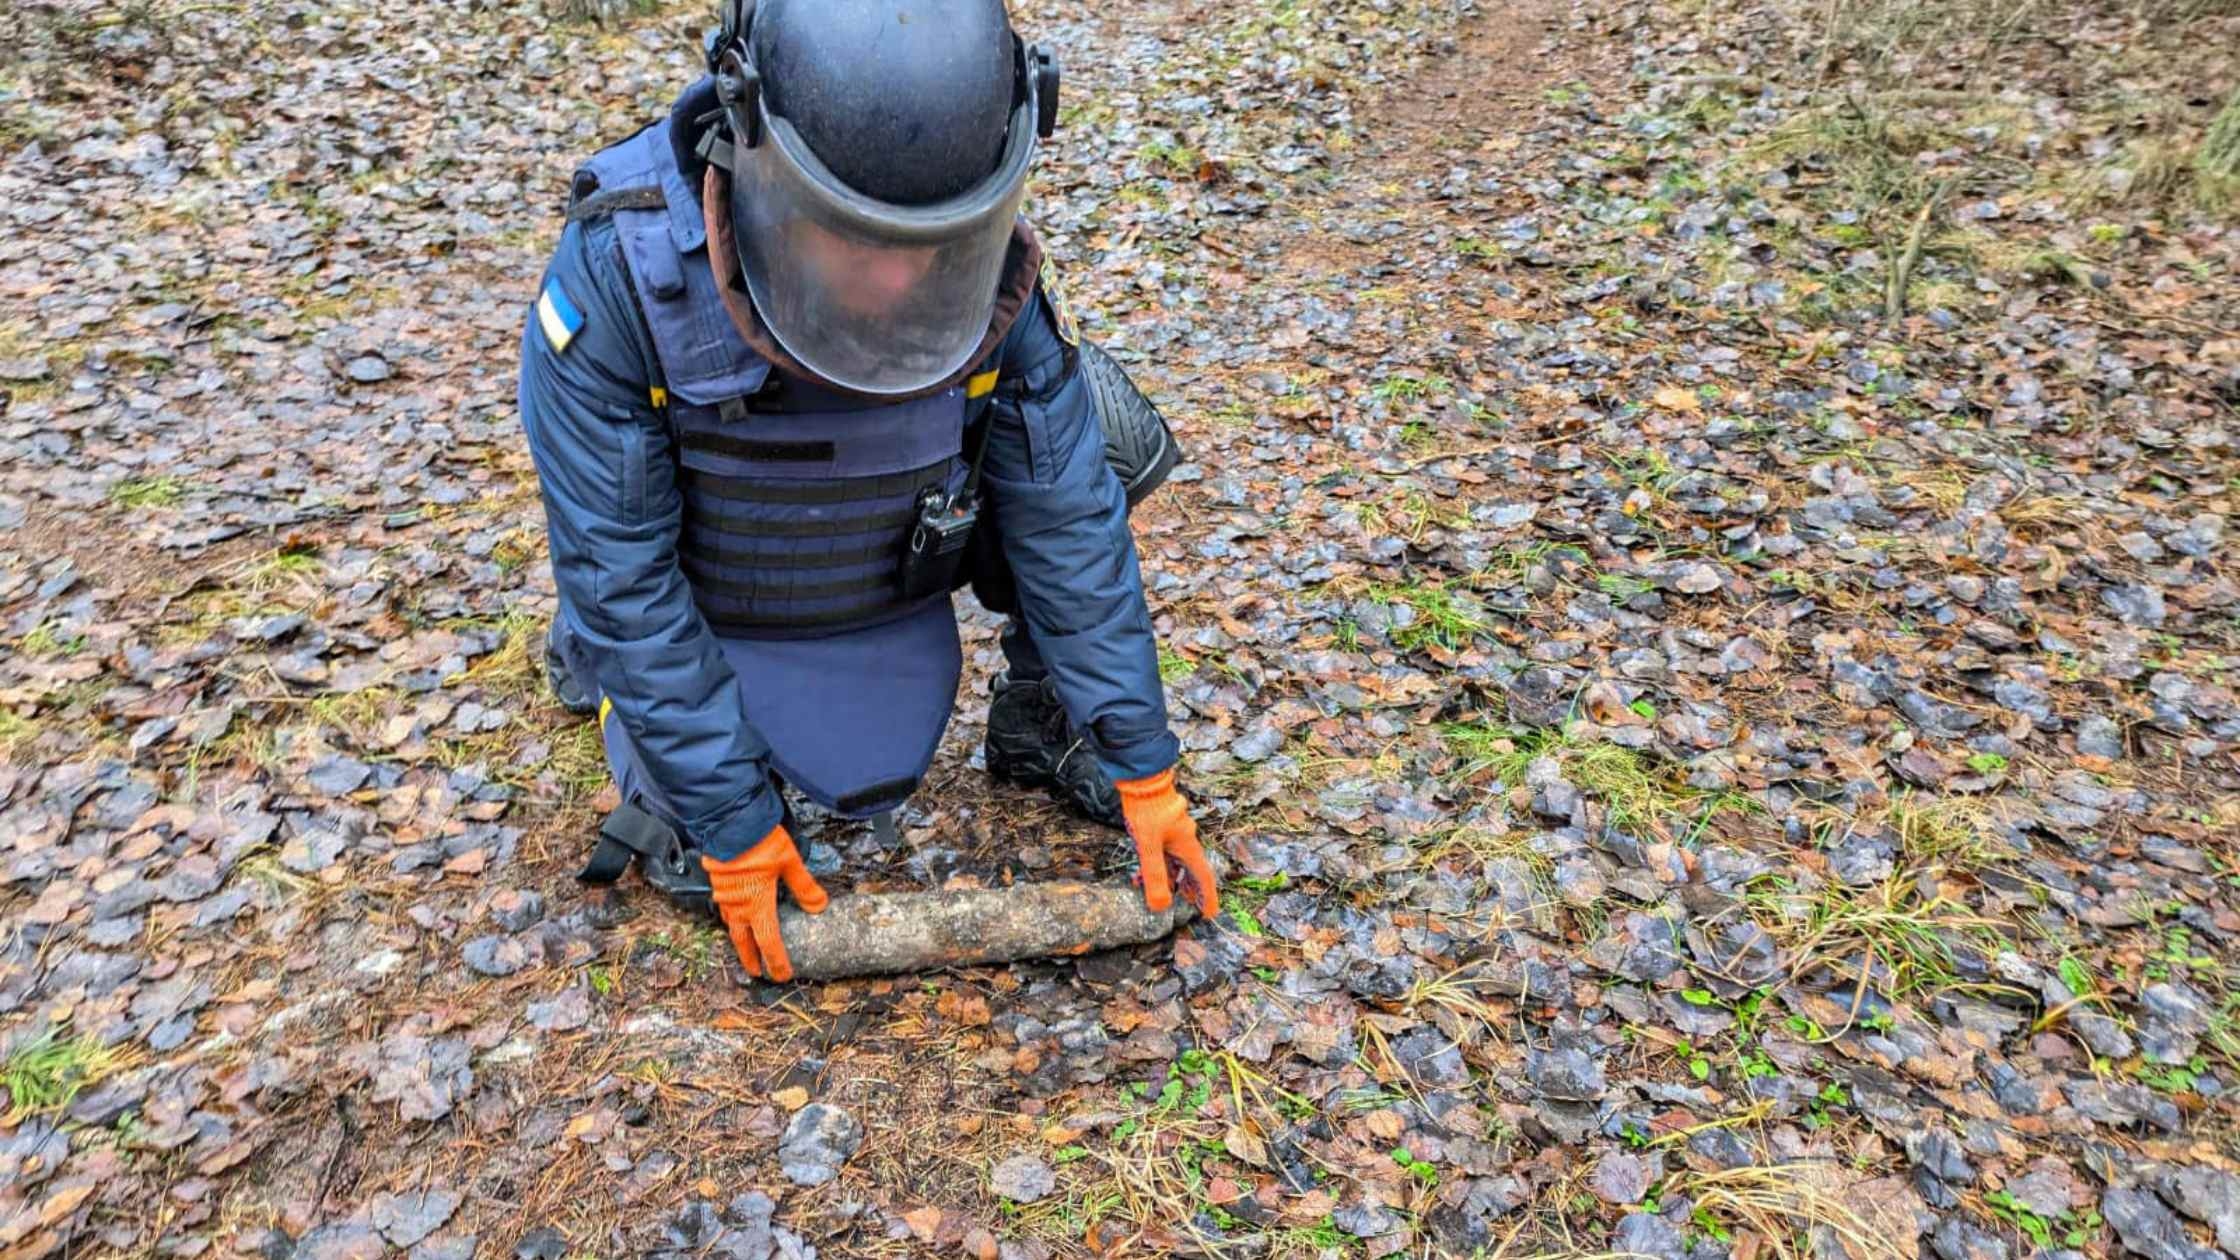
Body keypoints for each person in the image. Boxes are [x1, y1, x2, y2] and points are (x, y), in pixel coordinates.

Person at [516, 0, 1219, 982]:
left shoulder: (987, 267)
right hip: (716, 593)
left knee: (1098, 435)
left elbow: (1064, 515)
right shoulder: (620, 277)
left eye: (926, 250)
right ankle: (653, 729)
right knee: (692, 818)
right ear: (749, 147)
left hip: (889, 569)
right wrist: (727, 814)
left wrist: (1139, 759)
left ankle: (1043, 722)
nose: (897, 285)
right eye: (855, 242)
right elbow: (618, 570)